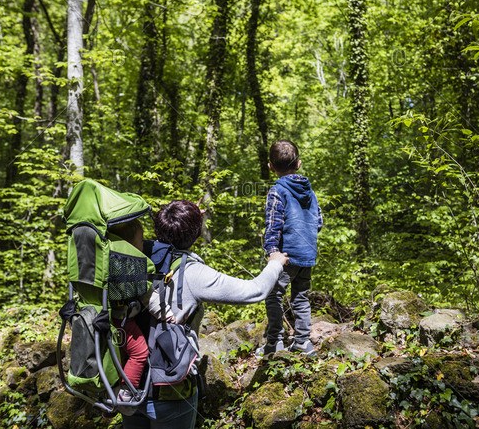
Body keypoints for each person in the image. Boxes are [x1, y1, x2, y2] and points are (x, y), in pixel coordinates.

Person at [120, 199, 289, 429]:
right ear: (196, 237)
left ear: (157, 229)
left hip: (127, 385)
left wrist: (183, 223)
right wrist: (275, 264)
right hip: (171, 387)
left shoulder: (132, 257)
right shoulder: (193, 273)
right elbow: (255, 290)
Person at [257, 139, 323, 358]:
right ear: (299, 164)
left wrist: (271, 252)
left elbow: (273, 224)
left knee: (273, 295)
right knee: (301, 297)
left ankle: (274, 343)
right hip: (307, 255)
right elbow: (319, 222)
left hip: (285, 256)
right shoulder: (310, 192)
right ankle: (303, 343)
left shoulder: (278, 191)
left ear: (270, 166)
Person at [107, 219, 174, 414]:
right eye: (141, 240)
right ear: (130, 246)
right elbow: (149, 298)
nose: (144, 244)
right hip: (123, 323)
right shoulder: (131, 267)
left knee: (115, 357)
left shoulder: (106, 261)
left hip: (104, 319)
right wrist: (167, 315)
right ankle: (126, 394)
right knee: (139, 353)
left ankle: (108, 394)